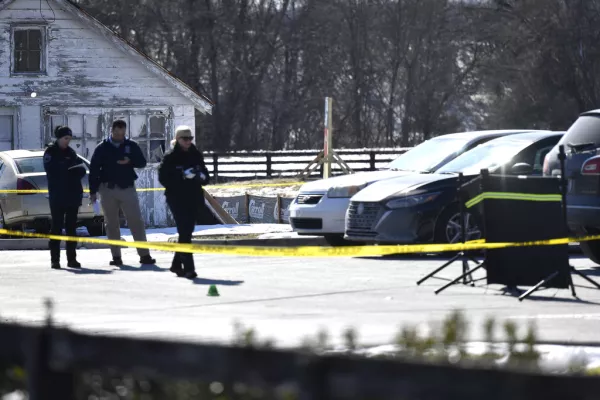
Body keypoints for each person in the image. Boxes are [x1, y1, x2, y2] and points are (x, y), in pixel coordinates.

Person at [89, 119, 156, 266]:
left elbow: (142, 163)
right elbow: (94, 169)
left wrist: (129, 161)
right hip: (107, 189)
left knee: (136, 221)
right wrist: (93, 191)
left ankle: (144, 255)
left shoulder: (131, 145)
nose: (119, 136)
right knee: (111, 224)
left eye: (122, 133)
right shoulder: (102, 147)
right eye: (117, 133)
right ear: (111, 131)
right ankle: (116, 257)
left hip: (127, 188)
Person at [158, 126, 210, 279]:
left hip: (193, 197)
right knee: (184, 230)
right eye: (184, 139)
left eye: (190, 139)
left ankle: (176, 264)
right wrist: (181, 175)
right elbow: (163, 178)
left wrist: (200, 176)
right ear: (178, 139)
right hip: (176, 198)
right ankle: (189, 268)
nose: (188, 142)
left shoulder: (195, 154)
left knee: (186, 232)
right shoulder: (170, 157)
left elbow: (206, 176)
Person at [43, 126, 87, 270]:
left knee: (71, 228)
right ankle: (55, 260)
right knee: (56, 227)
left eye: (69, 139)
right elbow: (52, 171)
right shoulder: (51, 152)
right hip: (57, 196)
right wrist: (67, 170)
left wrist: (74, 171)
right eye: (65, 138)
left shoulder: (71, 153)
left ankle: (72, 259)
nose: (67, 141)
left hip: (72, 195)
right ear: (59, 138)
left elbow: (79, 169)